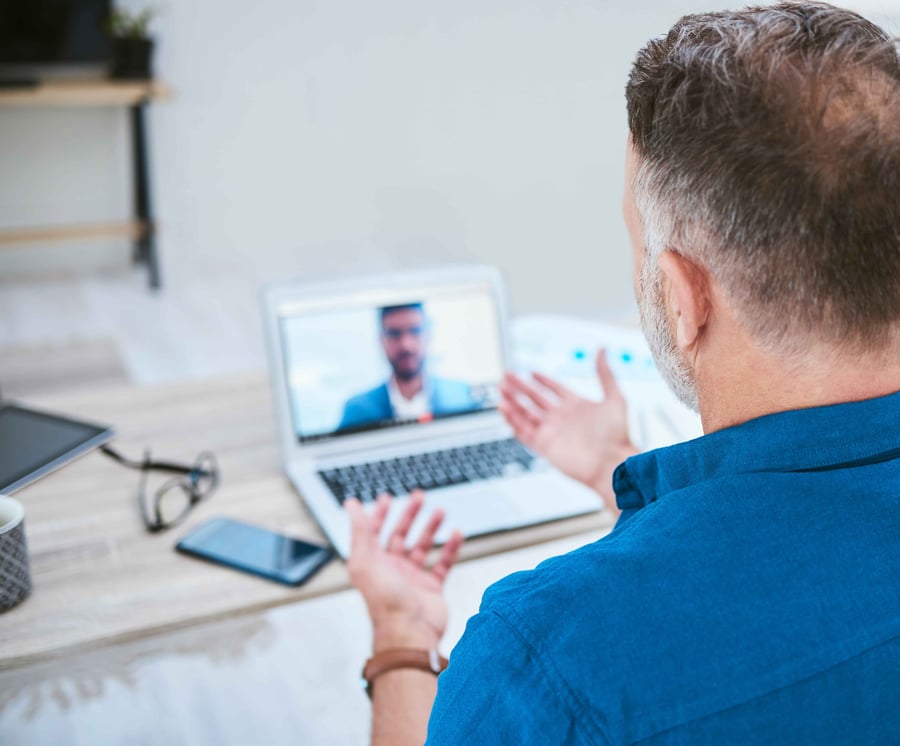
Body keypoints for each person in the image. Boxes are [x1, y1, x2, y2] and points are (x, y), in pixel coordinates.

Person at [345, 3, 900, 743]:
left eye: (637, 247)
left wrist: (401, 637)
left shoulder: (551, 661)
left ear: (681, 297)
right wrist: (615, 466)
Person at [338, 303, 477, 431]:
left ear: (428, 335)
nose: (406, 344)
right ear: (381, 341)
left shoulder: (463, 395)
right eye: (394, 334)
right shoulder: (357, 410)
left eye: (415, 331)